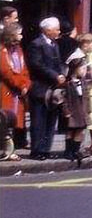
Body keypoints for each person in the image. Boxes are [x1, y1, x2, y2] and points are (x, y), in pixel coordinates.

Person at [26, 17, 65, 160]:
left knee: (51, 120)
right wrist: (55, 75)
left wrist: (61, 75)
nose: (59, 31)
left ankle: (46, 148)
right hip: (40, 88)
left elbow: (58, 63)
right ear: (47, 30)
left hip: (54, 89)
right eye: (57, 29)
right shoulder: (36, 44)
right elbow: (36, 65)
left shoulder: (55, 44)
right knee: (39, 120)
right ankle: (37, 150)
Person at [0, 24, 30, 158]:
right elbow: (6, 72)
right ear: (11, 35)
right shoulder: (2, 51)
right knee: (5, 120)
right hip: (6, 90)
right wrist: (20, 85)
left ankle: (10, 150)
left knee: (13, 122)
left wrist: (26, 84)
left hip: (18, 92)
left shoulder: (18, 50)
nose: (21, 36)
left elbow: (24, 69)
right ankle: (6, 150)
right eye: (19, 34)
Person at [62, 57, 91, 166]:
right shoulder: (68, 84)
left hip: (82, 110)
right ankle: (68, 151)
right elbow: (64, 99)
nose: (84, 71)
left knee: (79, 131)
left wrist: (89, 109)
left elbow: (87, 97)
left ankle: (75, 150)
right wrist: (66, 111)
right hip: (72, 110)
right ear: (75, 69)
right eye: (82, 69)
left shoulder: (83, 82)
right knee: (70, 131)